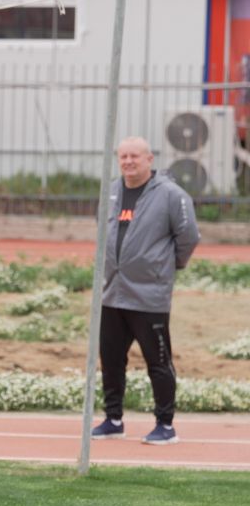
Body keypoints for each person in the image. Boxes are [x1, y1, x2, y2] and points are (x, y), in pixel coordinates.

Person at [91, 136, 199, 446]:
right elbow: (102, 229)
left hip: (149, 296)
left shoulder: (171, 195)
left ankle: (165, 425)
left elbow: (188, 237)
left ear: (149, 159)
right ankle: (113, 420)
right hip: (113, 293)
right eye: (123, 156)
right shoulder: (111, 191)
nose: (128, 161)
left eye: (134, 156)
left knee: (158, 362)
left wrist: (165, 266)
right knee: (111, 360)